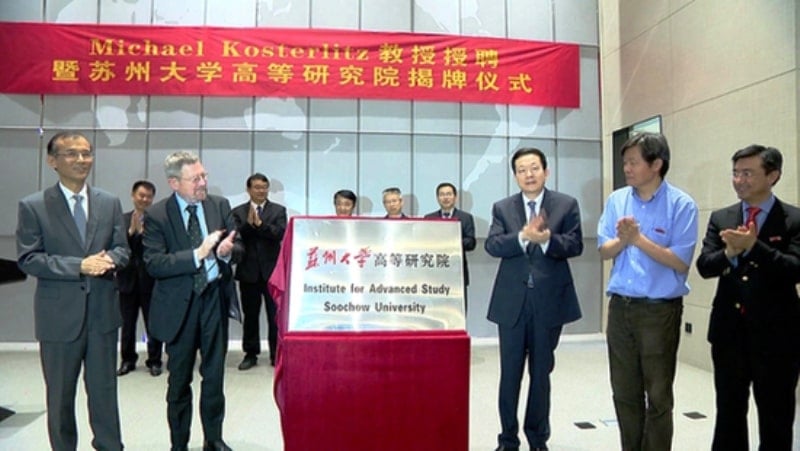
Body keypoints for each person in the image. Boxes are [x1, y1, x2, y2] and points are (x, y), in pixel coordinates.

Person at [16, 131, 129, 450]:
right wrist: (78, 265)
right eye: (72, 154)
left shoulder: (108, 202)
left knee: (105, 394)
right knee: (60, 397)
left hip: (102, 316)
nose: (82, 160)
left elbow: (123, 248)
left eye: (87, 153)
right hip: (58, 318)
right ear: (52, 161)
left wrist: (110, 259)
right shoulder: (34, 205)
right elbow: (29, 258)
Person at [597, 132, 698, 451]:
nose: (626, 168)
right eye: (625, 162)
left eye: (633, 162)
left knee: (657, 394)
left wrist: (638, 240)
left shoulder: (681, 204)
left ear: (656, 164)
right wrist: (623, 240)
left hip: (659, 311)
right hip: (621, 309)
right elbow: (604, 250)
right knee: (624, 392)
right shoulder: (617, 200)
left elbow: (680, 262)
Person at [696, 144, 800, 450]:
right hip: (730, 333)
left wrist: (755, 247)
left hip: (778, 336)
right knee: (729, 414)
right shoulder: (722, 217)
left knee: (776, 417)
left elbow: (795, 269)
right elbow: (704, 267)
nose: (739, 180)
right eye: (735, 173)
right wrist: (730, 252)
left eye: (748, 173)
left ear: (773, 176)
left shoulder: (793, 219)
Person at [485, 147, 583, 451]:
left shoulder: (565, 205)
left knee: (541, 374)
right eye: (522, 170)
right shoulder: (503, 208)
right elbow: (493, 244)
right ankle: (507, 439)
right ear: (515, 175)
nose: (529, 174)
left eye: (534, 168)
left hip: (548, 302)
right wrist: (524, 236)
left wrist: (547, 240)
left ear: (546, 171)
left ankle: (538, 438)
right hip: (511, 303)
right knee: (509, 374)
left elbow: (575, 244)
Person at [143, 151, 241, 451]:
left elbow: (239, 246)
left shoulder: (219, 205)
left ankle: (213, 439)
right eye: (195, 178)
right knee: (179, 381)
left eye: (204, 176)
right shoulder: (158, 215)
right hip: (179, 307)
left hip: (213, 300)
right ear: (174, 183)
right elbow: (154, 263)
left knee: (214, 377)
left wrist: (227, 251)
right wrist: (197, 254)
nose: (203, 182)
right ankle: (179, 443)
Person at [232, 173, 287, 370]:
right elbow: (236, 236)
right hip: (248, 272)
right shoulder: (238, 212)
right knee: (251, 315)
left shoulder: (278, 210)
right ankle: (250, 353)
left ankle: (276, 354)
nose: (261, 191)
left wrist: (261, 226)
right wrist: (249, 225)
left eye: (264, 187)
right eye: (257, 187)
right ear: (248, 189)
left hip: (272, 273)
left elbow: (279, 234)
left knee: (275, 316)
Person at [117, 180, 164, 377]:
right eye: (141, 195)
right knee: (127, 324)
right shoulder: (121, 219)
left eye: (148, 196)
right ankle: (127, 360)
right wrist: (130, 234)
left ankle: (154, 360)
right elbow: (117, 248)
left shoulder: (157, 221)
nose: (144, 199)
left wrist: (144, 236)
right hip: (127, 281)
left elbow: (160, 249)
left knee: (153, 324)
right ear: (133, 195)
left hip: (150, 281)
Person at [423, 182, 476, 312]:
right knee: (435, 310)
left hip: (457, 272)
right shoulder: (429, 218)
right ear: (437, 198)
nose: (445, 197)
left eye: (448, 194)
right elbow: (424, 243)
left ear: (455, 197)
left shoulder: (465, 218)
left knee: (458, 311)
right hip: (435, 273)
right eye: (442, 195)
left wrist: (452, 242)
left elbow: (471, 243)